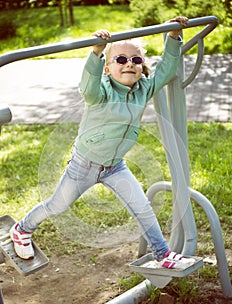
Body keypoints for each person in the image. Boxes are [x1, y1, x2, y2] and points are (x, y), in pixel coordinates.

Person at [10, 16, 195, 269]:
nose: (129, 64)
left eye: (136, 60)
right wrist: (97, 52)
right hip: (83, 165)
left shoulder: (144, 89)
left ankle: (162, 253)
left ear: (142, 67)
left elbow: (166, 70)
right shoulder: (101, 91)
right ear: (107, 69)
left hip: (115, 166)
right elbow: (87, 87)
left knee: (142, 207)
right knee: (57, 205)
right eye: (120, 59)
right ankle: (23, 229)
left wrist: (173, 37)